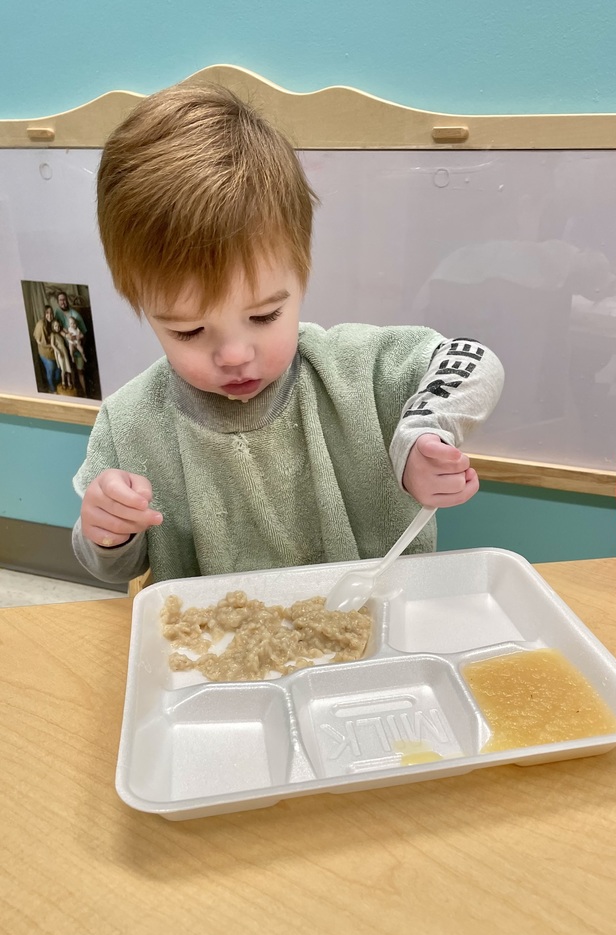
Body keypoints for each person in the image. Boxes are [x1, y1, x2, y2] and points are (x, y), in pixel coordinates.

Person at [72, 82, 504, 585]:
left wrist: (426, 431)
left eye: (263, 317)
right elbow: (113, 567)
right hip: (210, 634)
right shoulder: (131, 422)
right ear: (143, 308)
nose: (234, 355)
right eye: (189, 331)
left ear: (301, 278)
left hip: (376, 620)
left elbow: (472, 357)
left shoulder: (355, 370)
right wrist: (108, 531)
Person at [33, 305, 72, 393]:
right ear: (44, 313)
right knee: (51, 370)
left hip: (55, 351)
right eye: (47, 313)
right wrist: (52, 345)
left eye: (51, 313)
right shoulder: (41, 324)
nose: (49, 315)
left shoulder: (53, 321)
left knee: (59, 371)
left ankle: (58, 387)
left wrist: (66, 335)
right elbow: (38, 341)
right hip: (45, 352)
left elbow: (59, 329)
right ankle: (52, 389)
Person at [62, 317, 87, 396]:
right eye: (71, 323)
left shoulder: (77, 329)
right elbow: (63, 331)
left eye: (74, 323)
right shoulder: (69, 329)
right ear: (69, 324)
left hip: (77, 343)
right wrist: (66, 335)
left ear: (76, 324)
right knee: (71, 350)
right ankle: (72, 356)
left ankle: (83, 356)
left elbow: (82, 335)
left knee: (81, 350)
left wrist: (79, 337)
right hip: (71, 343)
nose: (73, 325)